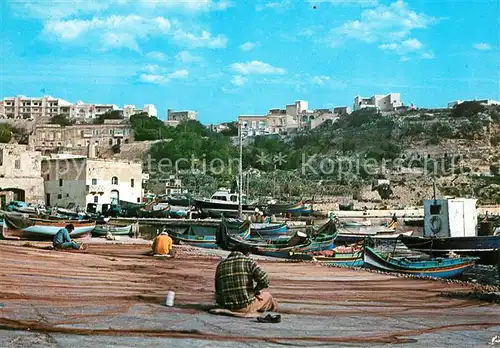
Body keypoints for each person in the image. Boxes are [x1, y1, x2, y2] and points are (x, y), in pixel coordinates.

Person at [215, 245, 278, 314]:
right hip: (244, 306)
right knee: (268, 296)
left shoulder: (221, 264)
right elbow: (264, 280)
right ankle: (274, 310)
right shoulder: (249, 262)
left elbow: (217, 288)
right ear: (247, 253)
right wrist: (255, 291)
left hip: (225, 306)